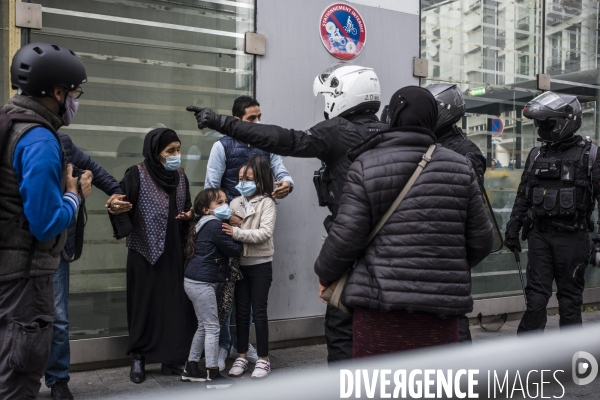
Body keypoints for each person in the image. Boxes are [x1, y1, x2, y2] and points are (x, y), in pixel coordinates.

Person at [188, 64, 388, 363]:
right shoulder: (391, 133)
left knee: (341, 325)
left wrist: (220, 121)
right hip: (389, 247)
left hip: (349, 243)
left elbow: (287, 140)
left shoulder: (338, 131)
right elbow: (211, 189)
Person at [313, 86, 494, 358]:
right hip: (440, 313)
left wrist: (325, 274)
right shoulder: (460, 167)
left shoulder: (365, 164)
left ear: (392, 116)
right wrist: (443, 266)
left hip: (379, 310)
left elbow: (345, 237)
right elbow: (482, 241)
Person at [0, 42, 92, 399]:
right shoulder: (38, 138)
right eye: (74, 92)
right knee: (18, 379)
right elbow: (45, 221)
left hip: (6, 272)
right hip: (25, 279)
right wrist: (74, 195)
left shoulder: (9, 121)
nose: (75, 101)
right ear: (57, 93)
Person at [45, 98, 131, 400]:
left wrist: (117, 192)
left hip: (57, 245)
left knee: (58, 316)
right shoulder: (18, 141)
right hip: (22, 246)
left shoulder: (62, 142)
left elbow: (94, 167)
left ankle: (57, 380)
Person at [204, 95, 294, 369]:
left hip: (255, 227)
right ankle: (224, 346)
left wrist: (286, 185)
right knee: (226, 294)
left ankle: (241, 348)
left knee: (250, 300)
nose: (258, 122)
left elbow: (283, 173)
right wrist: (225, 214)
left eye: (259, 117)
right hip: (227, 227)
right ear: (236, 121)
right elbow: (211, 188)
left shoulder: (268, 142)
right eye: (251, 118)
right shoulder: (221, 146)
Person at [504, 91, 600, 334]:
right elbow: (524, 193)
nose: (541, 127)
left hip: (574, 237)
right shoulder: (537, 154)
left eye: (546, 122)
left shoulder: (591, 155)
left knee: (570, 301)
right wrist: (513, 228)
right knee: (535, 299)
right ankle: (529, 355)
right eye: (539, 122)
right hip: (540, 235)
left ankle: (570, 359)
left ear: (565, 121)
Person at [111, 128, 195, 383]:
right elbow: (119, 205)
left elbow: (188, 207)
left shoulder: (181, 178)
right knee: (143, 305)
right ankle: (138, 357)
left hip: (173, 251)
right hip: (144, 252)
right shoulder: (136, 174)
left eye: (178, 149)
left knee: (173, 305)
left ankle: (172, 358)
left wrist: (190, 216)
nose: (176, 155)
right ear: (155, 152)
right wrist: (116, 208)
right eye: (171, 151)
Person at [426, 83, 487, 344]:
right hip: (425, 240)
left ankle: (461, 378)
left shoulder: (466, 151)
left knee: (454, 314)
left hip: (451, 243)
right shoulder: (425, 143)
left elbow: (466, 199)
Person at [224, 156, 277, 379]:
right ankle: (242, 356)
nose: (243, 182)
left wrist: (237, 230)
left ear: (260, 179)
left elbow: (265, 233)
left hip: (261, 265)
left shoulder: (267, 203)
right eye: (240, 178)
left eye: (248, 178)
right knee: (242, 314)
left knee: (260, 313)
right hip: (240, 267)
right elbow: (223, 226)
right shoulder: (234, 202)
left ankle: (264, 359)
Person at [181, 188, 240, 388]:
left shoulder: (203, 223)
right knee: (212, 327)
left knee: (204, 325)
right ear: (206, 209)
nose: (226, 205)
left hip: (194, 281)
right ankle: (212, 374)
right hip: (202, 283)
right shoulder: (215, 225)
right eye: (219, 203)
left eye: (225, 201)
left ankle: (191, 368)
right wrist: (238, 231)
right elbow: (234, 249)